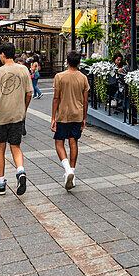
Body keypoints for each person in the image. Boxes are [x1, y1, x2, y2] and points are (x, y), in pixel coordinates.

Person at [0, 42, 33, 196]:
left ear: (3, 55)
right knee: (16, 146)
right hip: (17, 115)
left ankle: (0, 183)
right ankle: (20, 171)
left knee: (0, 147)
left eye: (0, 54)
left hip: (1, 116)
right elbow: (29, 93)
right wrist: (24, 109)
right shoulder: (24, 69)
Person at [51, 51, 90, 190]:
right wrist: (84, 117)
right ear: (79, 63)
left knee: (59, 142)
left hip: (63, 114)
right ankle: (72, 171)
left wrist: (53, 117)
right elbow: (85, 101)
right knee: (73, 142)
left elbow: (56, 98)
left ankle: (67, 169)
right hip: (77, 114)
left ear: (66, 61)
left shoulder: (59, 77)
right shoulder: (83, 78)